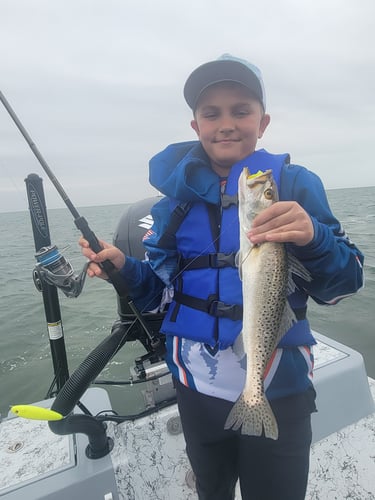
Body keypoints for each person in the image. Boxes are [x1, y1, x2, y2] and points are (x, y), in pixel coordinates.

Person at [79, 54, 364, 500]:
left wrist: (314, 237)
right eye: (211, 113)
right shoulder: (173, 204)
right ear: (195, 125)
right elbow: (161, 295)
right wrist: (126, 270)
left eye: (241, 110)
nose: (226, 124)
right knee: (212, 490)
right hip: (196, 390)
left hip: (280, 388)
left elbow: (344, 285)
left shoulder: (294, 185)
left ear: (263, 122)